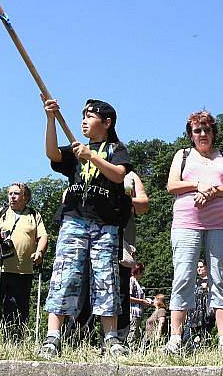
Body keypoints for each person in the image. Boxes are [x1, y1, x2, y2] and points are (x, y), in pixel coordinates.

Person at [40, 97, 133, 357]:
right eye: (82, 115)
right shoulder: (75, 149)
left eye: (90, 115)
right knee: (65, 275)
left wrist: (91, 156)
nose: (83, 120)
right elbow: (52, 153)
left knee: (105, 278)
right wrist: (50, 118)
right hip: (74, 220)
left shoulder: (116, 148)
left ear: (106, 122)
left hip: (105, 224)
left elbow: (118, 174)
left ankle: (111, 337)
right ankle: (53, 335)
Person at [165, 111, 223, 355]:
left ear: (213, 132)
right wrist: (198, 185)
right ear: (191, 134)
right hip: (186, 222)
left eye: (207, 130)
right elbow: (172, 185)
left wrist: (212, 190)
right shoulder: (183, 155)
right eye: (197, 130)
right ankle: (175, 338)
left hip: (221, 223)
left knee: (219, 278)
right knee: (184, 276)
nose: (202, 134)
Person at [0, 182, 48, 338]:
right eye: (10, 194)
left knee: (17, 311)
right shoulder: (1, 213)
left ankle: (13, 341)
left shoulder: (34, 215)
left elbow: (43, 236)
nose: (12, 197)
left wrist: (40, 252)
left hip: (23, 270)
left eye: (16, 194)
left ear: (25, 197)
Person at [117, 171, 149, 343]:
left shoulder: (129, 175)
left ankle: (120, 341)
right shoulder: (87, 164)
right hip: (92, 235)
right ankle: (80, 338)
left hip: (123, 242)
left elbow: (144, 205)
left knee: (122, 289)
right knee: (87, 288)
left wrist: (122, 201)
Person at [185, 259, 215, 347]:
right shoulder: (194, 281)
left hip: (206, 315)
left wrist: (208, 289)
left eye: (201, 267)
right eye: (197, 267)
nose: (199, 269)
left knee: (205, 338)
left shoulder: (212, 281)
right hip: (193, 315)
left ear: (206, 267)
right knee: (187, 338)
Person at [127, 262, 152, 346]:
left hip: (138, 313)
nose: (142, 275)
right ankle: (129, 350)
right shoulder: (131, 281)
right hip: (132, 313)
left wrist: (146, 301)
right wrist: (142, 301)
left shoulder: (136, 282)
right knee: (132, 333)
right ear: (138, 272)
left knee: (136, 333)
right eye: (142, 272)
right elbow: (128, 298)